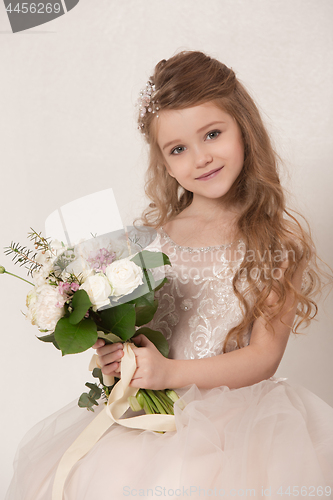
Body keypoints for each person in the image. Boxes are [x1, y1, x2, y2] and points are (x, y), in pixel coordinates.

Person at [6, 50, 333, 500]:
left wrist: (167, 373)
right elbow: (136, 332)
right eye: (178, 149)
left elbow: (263, 357)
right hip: (144, 425)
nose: (200, 158)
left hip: (235, 431)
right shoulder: (145, 242)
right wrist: (119, 362)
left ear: (244, 129)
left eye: (212, 134)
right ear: (163, 160)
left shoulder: (274, 243)